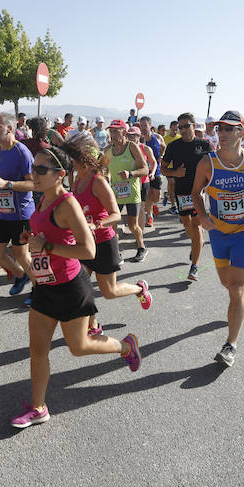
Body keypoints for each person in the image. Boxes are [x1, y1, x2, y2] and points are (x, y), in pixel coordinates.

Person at [9, 145, 141, 429]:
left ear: (59, 175)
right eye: (33, 169)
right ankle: (38, 407)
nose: (34, 174)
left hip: (71, 287)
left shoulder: (67, 204)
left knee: (79, 347)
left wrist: (47, 246)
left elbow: (88, 250)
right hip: (45, 286)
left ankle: (125, 346)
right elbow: (48, 233)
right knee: (37, 350)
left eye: (41, 170)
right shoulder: (41, 199)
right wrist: (31, 236)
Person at [192, 111, 244, 367]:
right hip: (218, 232)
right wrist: (202, 215)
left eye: (228, 129)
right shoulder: (207, 163)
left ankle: (231, 345)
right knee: (228, 284)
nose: (222, 134)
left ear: (242, 132)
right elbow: (195, 193)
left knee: (235, 288)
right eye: (219, 129)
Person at [63, 137, 152, 337]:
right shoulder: (78, 180)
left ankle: (139, 289)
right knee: (80, 286)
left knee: (109, 292)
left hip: (103, 242)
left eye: (75, 159)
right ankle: (93, 325)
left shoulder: (98, 182)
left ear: (86, 161)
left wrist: (95, 225)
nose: (72, 163)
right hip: (85, 244)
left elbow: (115, 215)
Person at [0, 114, 36, 300]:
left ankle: (40, 291)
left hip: (21, 213)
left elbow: (34, 184)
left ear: (9, 129)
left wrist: (8, 184)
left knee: (22, 254)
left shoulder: (21, 152)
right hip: (2, 213)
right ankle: (21, 275)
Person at [162, 112, 213, 280]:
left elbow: (215, 167)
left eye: (186, 126)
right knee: (187, 223)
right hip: (182, 191)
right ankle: (197, 243)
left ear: (194, 126)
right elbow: (163, 168)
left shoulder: (205, 145)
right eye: (180, 127)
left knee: (196, 225)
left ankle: (194, 267)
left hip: (199, 192)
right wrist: (174, 173)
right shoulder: (173, 146)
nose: (183, 130)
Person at [104, 120, 149, 262]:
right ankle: (115, 252)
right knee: (112, 223)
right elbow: (105, 170)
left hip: (132, 192)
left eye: (115, 131)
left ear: (124, 132)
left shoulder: (132, 147)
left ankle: (141, 247)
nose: (112, 134)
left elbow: (145, 169)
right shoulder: (107, 150)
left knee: (132, 225)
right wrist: (106, 178)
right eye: (111, 131)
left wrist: (131, 174)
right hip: (115, 193)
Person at [138, 116, 162, 226]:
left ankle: (154, 204)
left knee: (156, 196)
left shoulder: (157, 137)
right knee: (147, 195)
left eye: (145, 125)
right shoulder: (139, 139)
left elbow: (164, 147)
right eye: (141, 125)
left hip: (156, 170)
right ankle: (149, 216)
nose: (143, 128)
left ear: (150, 126)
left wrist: (161, 156)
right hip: (144, 171)